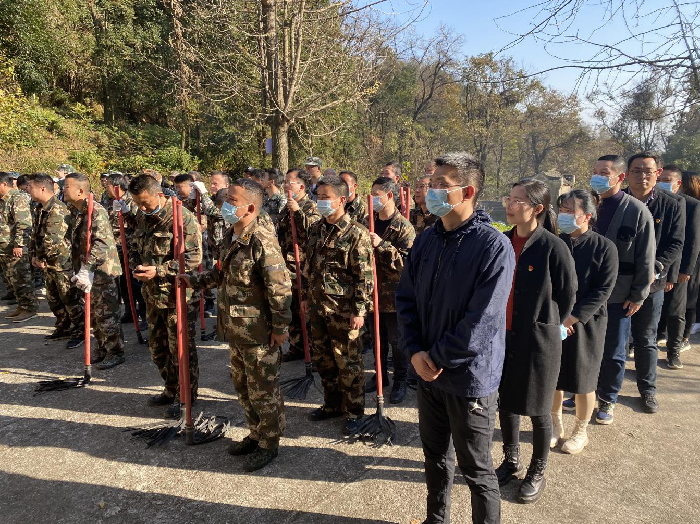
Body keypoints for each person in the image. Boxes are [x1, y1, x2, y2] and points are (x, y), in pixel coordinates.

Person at [396, 152, 514, 524]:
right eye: (432, 184)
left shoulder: (493, 246)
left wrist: (437, 358)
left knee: (476, 469)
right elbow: (406, 299)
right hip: (427, 372)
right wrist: (415, 351)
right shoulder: (426, 240)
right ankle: (437, 518)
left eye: (442, 185)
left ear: (468, 191)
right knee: (434, 456)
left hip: (468, 378)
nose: (432, 191)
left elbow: (483, 320)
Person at [182, 178, 292, 471]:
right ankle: (255, 434)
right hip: (236, 328)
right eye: (226, 199)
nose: (225, 205)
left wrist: (280, 328)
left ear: (251, 208)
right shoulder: (231, 237)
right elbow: (219, 274)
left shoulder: (262, 241)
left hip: (259, 332)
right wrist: (191, 280)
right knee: (243, 387)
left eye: (232, 201)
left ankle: (269, 442)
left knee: (263, 390)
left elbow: (280, 289)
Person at [496, 178, 577, 504]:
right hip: (503, 337)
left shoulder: (553, 247)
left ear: (537, 208)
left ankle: (537, 470)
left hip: (538, 340)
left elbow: (567, 294)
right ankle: (511, 459)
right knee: (506, 402)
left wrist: (546, 323)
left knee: (539, 407)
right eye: (509, 198)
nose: (510, 205)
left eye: (518, 200)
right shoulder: (503, 241)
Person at [302, 175, 373, 436]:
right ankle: (332, 404)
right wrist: (305, 297)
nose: (320, 201)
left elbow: (364, 277)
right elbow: (309, 267)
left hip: (344, 311)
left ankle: (354, 412)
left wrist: (359, 311)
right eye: (318, 196)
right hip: (318, 307)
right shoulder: (316, 229)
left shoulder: (356, 233)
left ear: (341, 200)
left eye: (325, 197)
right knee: (324, 359)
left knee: (348, 362)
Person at [128, 174, 202, 418]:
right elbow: (135, 246)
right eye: (137, 203)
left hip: (176, 297)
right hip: (152, 295)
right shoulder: (143, 216)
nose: (142, 208)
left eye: (145, 202)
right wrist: (137, 267)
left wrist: (159, 270)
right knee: (158, 349)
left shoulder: (182, 217)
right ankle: (170, 388)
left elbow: (193, 258)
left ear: (159, 195)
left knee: (180, 351)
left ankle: (185, 396)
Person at [550, 190, 618, 455]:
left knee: (583, 378)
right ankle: (555, 423)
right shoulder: (556, 243)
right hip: (555, 320)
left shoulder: (604, 247)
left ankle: (581, 430)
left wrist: (572, 318)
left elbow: (603, 290)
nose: (564, 216)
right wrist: (557, 317)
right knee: (553, 375)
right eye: (562, 210)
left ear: (587, 215)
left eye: (570, 211)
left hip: (587, 323)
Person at [592, 155, 655, 424]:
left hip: (620, 294)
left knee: (614, 351)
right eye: (595, 171)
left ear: (619, 177)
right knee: (587, 347)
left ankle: (608, 398)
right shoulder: (589, 205)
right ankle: (585, 391)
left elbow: (646, 257)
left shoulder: (637, 211)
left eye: (604, 173)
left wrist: (639, 294)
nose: (597, 177)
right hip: (587, 293)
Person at [623, 152, 684, 413]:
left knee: (645, 338)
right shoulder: (616, 201)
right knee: (612, 338)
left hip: (652, 284)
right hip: (618, 281)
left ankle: (647, 390)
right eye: (636, 171)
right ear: (627, 174)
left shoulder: (672, 204)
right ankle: (602, 389)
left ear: (658, 173)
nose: (642, 176)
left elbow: (676, 243)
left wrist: (655, 268)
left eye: (648, 171)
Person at [63, 173, 125, 369]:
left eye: (67, 187)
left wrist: (87, 268)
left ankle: (115, 351)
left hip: (102, 271)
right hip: (87, 271)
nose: (63, 190)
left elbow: (102, 243)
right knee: (95, 315)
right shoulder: (77, 211)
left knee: (106, 313)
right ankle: (102, 347)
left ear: (80, 191)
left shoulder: (96, 211)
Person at [365, 176, 415, 404]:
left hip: (394, 295)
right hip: (372, 292)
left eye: (377, 195)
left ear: (390, 196)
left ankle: (400, 380)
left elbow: (406, 262)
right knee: (377, 338)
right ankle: (380, 375)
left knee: (397, 341)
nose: (373, 200)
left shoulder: (403, 226)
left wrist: (382, 245)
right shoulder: (369, 221)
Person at [29, 174, 85, 348]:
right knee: (53, 298)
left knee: (70, 298)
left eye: (31, 187)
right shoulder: (40, 208)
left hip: (61, 262)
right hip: (48, 262)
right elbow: (35, 234)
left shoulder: (57, 209)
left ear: (42, 188)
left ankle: (80, 330)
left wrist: (41, 257)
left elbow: (52, 240)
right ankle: (64, 326)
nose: (28, 190)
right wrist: (34, 255)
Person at [655, 164, 700, 369]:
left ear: (678, 183)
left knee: (676, 310)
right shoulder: (653, 201)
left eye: (667, 180)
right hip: (655, 265)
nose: (661, 184)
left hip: (678, 266)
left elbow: (692, 242)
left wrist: (685, 270)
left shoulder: (691, 205)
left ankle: (673, 352)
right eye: (659, 179)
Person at [277, 168, 321, 361]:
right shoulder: (285, 207)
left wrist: (298, 212)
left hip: (302, 265)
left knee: (305, 309)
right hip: (286, 266)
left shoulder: (310, 207)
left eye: (290, 182)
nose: (286, 185)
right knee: (292, 308)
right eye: (285, 182)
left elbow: (313, 231)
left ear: (301, 186)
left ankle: (312, 348)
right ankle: (297, 346)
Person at [104, 173, 147, 326]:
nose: (105, 188)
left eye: (108, 185)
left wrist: (126, 212)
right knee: (123, 283)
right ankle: (130, 311)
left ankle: (144, 315)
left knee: (136, 283)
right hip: (116, 249)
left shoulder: (131, 200)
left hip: (130, 248)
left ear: (116, 186)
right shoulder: (111, 201)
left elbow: (138, 225)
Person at [174, 172, 219, 316]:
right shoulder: (179, 200)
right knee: (190, 271)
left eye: (181, 187)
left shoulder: (202, 200)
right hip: (184, 241)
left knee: (205, 269)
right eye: (176, 187)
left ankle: (209, 302)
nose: (178, 190)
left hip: (201, 241)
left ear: (190, 186)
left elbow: (205, 219)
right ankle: (195, 302)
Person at [0, 171, 38, 322]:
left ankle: (29, 308)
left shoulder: (17, 198)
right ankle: (22, 306)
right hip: (5, 248)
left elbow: (23, 224)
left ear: (4, 184)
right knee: (12, 280)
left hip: (15, 248)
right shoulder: (3, 200)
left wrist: (20, 245)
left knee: (21, 279)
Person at [681, 171, 700, 346]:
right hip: (684, 256)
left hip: (695, 258)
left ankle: (685, 335)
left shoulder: (694, 206)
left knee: (691, 295)